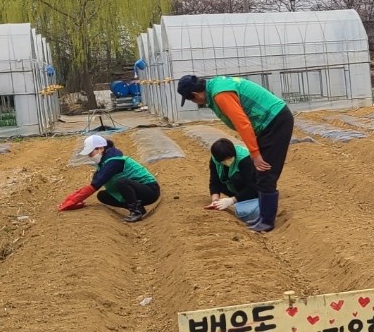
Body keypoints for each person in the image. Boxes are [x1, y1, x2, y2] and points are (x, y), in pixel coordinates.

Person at [178, 74, 294, 233]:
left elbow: (243, 124)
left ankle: (267, 221)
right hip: (268, 122)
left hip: (274, 120)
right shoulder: (216, 87)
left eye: (192, 100)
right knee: (262, 174)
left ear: (196, 95)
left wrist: (255, 154)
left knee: (265, 171)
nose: (195, 103)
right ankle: (262, 217)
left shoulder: (220, 94)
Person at [56, 134, 159, 223]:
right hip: (138, 192)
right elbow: (93, 183)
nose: (90, 156)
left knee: (121, 182)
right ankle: (139, 207)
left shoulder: (114, 161)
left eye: (91, 153)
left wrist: (72, 202)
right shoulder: (103, 162)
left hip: (150, 191)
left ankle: (136, 211)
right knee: (102, 196)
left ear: (100, 148)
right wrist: (69, 200)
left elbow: (95, 186)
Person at [205, 138, 261, 227]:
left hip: (254, 189)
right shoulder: (215, 160)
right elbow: (214, 181)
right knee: (222, 179)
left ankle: (244, 200)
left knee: (236, 178)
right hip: (233, 187)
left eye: (229, 158)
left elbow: (252, 186)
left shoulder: (244, 159)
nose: (227, 161)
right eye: (223, 160)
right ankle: (239, 198)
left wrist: (232, 200)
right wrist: (215, 200)